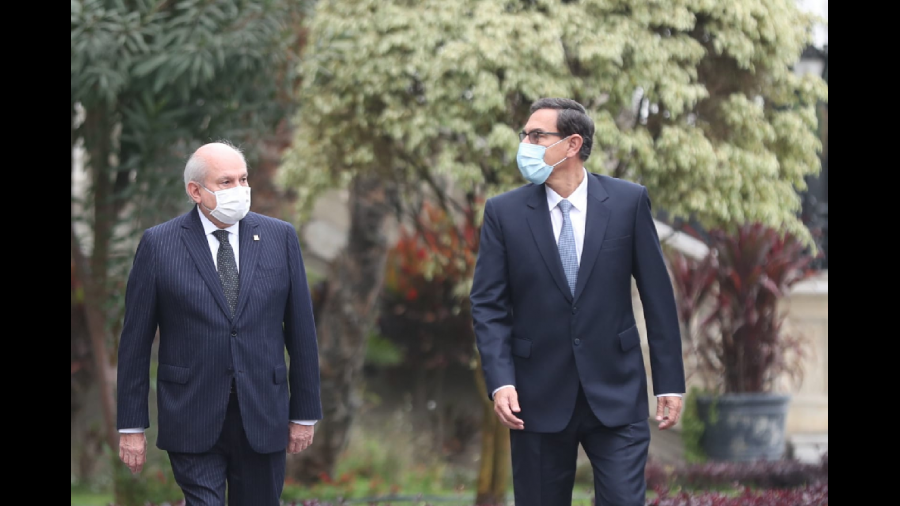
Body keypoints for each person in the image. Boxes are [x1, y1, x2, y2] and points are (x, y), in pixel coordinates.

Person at [470, 98, 686, 506]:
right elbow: (488, 305)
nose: (525, 145)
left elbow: (657, 297)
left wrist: (670, 381)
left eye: (537, 136)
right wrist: (501, 381)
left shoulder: (627, 202)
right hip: (535, 397)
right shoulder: (504, 213)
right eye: (524, 135)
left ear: (572, 144)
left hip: (617, 391)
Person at [116, 141, 323, 506]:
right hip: (191, 413)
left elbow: (302, 332)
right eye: (226, 182)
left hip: (263, 412)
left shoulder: (280, 237)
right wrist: (131, 426)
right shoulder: (159, 244)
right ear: (195, 191)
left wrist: (305, 413)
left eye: (243, 179)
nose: (239, 190)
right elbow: (135, 341)